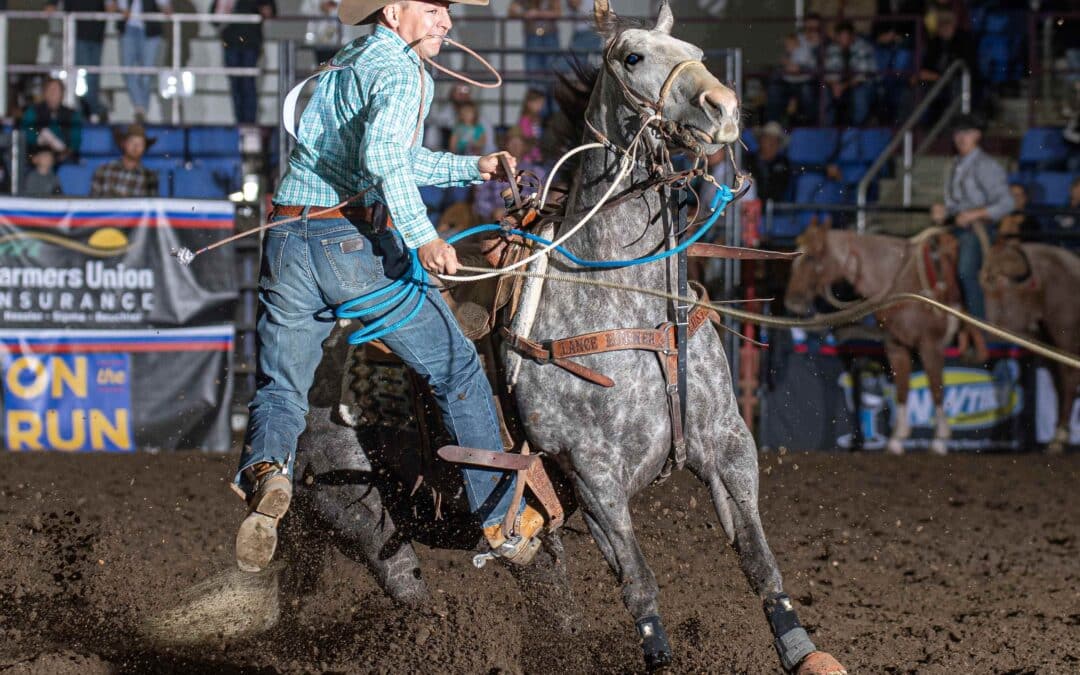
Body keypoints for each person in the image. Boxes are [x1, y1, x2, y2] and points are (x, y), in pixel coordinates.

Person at [234, 0, 542, 574]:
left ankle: (267, 471)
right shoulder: (403, 70)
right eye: (433, 9)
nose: (446, 22)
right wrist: (423, 235)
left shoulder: (352, 58)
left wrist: (469, 167)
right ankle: (500, 521)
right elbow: (383, 158)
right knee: (456, 367)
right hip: (347, 246)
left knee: (282, 386)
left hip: (287, 236)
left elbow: (392, 158)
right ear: (395, 12)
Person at [930, 114, 1014, 320]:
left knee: (966, 271)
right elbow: (955, 203)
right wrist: (944, 211)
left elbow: (1007, 203)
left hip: (979, 230)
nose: (960, 137)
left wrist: (974, 214)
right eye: (958, 132)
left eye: (966, 132)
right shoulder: (955, 165)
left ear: (977, 135)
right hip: (957, 227)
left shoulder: (985, 165)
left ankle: (979, 325)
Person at [44, 0, 115, 123]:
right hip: (76, 31)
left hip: (96, 33)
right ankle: (89, 111)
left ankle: (91, 111)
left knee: (92, 76)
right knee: (82, 76)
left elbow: (110, 7)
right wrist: (51, 4)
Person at [212, 0, 277, 124]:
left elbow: (270, 11)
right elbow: (214, 19)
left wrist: (264, 10)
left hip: (250, 43)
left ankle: (249, 122)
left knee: (248, 84)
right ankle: (241, 122)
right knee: (236, 84)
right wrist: (223, 9)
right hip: (230, 43)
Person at [117, 0, 171, 122]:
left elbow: (166, 8)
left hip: (150, 30)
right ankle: (141, 108)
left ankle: (141, 110)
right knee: (127, 69)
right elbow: (120, 7)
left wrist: (165, 7)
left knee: (147, 74)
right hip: (128, 28)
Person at [766, 14, 823, 125]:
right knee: (774, 88)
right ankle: (773, 125)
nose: (811, 32)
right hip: (789, 78)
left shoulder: (824, 43)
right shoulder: (796, 39)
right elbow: (783, 56)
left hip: (810, 80)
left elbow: (820, 66)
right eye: (808, 28)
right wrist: (787, 62)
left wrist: (801, 68)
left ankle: (810, 126)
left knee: (807, 94)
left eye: (815, 29)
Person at [823, 20, 877, 126]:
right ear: (837, 37)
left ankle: (855, 128)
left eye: (847, 37)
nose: (844, 40)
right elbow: (828, 72)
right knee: (824, 92)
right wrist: (834, 85)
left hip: (863, 83)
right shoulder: (832, 49)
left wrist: (843, 86)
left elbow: (862, 76)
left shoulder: (863, 48)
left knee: (859, 95)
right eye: (841, 37)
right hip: (839, 84)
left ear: (852, 36)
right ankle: (828, 129)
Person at [19, 78, 82, 163]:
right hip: (36, 155)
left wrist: (64, 154)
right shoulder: (33, 111)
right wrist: (39, 140)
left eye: (56, 90)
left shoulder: (72, 115)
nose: (53, 93)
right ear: (44, 93)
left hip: (63, 156)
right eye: (50, 89)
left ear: (62, 94)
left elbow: (75, 141)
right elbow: (26, 132)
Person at [89, 124, 159, 197]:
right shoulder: (103, 170)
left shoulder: (149, 177)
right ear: (124, 143)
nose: (136, 146)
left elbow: (151, 204)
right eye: (132, 141)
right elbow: (93, 203)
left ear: (144, 147)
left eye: (140, 143)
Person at [508, 0, 561, 79]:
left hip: (550, 35)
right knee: (533, 71)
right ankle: (537, 89)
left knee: (552, 71)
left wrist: (538, 14)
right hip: (532, 36)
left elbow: (558, 13)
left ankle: (549, 89)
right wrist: (524, 14)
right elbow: (511, 11)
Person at [745, 121, 792, 202]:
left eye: (775, 140)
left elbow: (783, 189)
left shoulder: (784, 163)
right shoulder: (748, 160)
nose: (771, 143)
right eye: (768, 138)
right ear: (761, 140)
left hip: (777, 209)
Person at [517, 88, 545, 164]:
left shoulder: (537, 119)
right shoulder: (525, 120)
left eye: (541, 104)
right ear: (529, 103)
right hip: (527, 158)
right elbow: (526, 139)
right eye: (538, 103)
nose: (540, 107)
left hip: (535, 156)